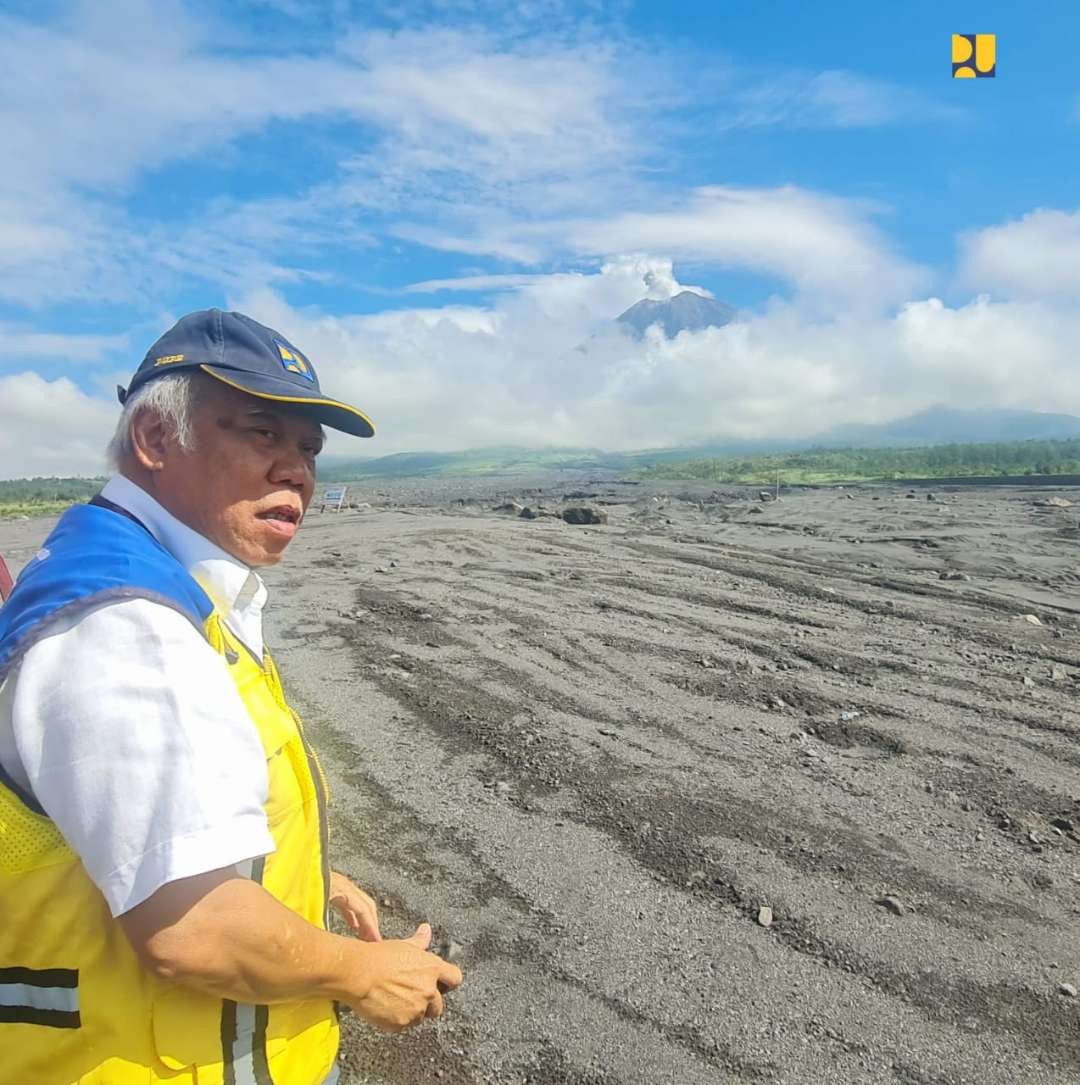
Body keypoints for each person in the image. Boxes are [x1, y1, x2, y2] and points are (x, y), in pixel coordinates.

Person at [0, 309, 462, 1084]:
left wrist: (301, 877)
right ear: (154, 438)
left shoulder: (180, 591)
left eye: (308, 449)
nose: (298, 471)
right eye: (263, 434)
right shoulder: (127, 623)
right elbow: (194, 927)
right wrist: (360, 971)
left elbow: (143, 810)